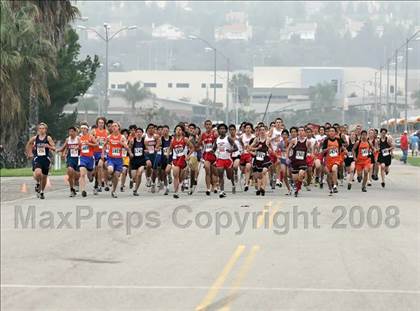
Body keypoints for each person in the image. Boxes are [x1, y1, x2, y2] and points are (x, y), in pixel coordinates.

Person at [26, 122, 56, 199]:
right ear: (38, 130)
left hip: (46, 159)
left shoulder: (48, 138)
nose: (41, 130)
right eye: (40, 128)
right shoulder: (35, 138)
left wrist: (48, 146)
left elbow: (54, 148)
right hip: (37, 158)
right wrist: (29, 154)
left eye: (43, 128)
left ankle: (42, 191)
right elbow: (29, 144)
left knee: (44, 177)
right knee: (38, 173)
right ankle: (38, 183)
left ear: (45, 130)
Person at [102, 122, 131, 198]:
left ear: (118, 128)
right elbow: (104, 146)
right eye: (113, 126)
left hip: (119, 160)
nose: (114, 127)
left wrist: (122, 144)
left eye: (115, 126)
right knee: (110, 170)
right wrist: (102, 153)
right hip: (111, 158)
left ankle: (113, 191)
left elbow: (127, 147)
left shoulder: (122, 137)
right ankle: (109, 177)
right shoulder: (109, 137)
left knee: (116, 176)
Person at [167, 124, 194, 198]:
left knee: (181, 177)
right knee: (175, 175)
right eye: (177, 130)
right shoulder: (173, 140)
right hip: (175, 159)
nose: (178, 131)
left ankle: (181, 183)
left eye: (180, 130)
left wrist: (188, 156)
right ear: (175, 131)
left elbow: (192, 148)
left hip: (183, 159)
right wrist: (168, 153)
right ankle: (176, 192)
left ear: (182, 131)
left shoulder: (185, 139)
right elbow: (170, 148)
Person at [214, 123, 238, 198]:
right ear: (218, 130)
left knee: (229, 176)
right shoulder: (217, 140)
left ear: (226, 130)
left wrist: (231, 151)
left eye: (223, 129)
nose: (222, 130)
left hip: (228, 160)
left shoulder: (228, 138)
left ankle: (233, 184)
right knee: (220, 175)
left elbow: (236, 148)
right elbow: (213, 148)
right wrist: (211, 151)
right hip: (220, 159)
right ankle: (222, 191)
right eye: (220, 129)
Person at [287, 126, 312, 197]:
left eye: (302, 130)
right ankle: (297, 186)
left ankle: (297, 190)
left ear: (304, 132)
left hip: (303, 162)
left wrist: (311, 156)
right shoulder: (294, 140)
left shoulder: (308, 142)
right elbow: (288, 149)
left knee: (301, 174)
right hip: (294, 161)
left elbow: (310, 150)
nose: (301, 132)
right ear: (298, 132)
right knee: (295, 178)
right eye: (300, 130)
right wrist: (287, 157)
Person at [249, 124, 272, 196]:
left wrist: (270, 150)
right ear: (258, 131)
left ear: (265, 131)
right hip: (258, 158)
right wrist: (256, 149)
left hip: (265, 158)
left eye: (263, 130)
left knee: (264, 172)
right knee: (258, 175)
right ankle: (259, 189)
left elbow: (271, 148)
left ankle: (263, 188)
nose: (262, 131)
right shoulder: (256, 139)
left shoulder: (268, 139)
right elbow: (249, 148)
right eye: (260, 130)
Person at [322, 127, 345, 195]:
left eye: (333, 131)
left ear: (335, 132)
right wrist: (328, 148)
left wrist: (345, 151)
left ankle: (335, 186)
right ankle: (330, 188)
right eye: (330, 131)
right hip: (328, 160)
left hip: (336, 159)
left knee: (334, 169)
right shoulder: (326, 141)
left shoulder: (338, 140)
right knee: (329, 175)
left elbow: (342, 148)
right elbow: (323, 151)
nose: (331, 132)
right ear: (328, 133)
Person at [58, 126, 80, 197]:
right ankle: (71, 189)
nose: (71, 133)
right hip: (70, 158)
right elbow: (64, 147)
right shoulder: (68, 140)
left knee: (77, 174)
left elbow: (82, 147)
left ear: (75, 132)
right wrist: (60, 152)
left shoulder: (78, 139)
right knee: (70, 171)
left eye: (72, 131)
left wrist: (78, 147)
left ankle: (76, 182)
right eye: (69, 131)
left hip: (78, 158)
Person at [78, 123, 97, 197]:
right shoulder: (79, 137)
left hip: (90, 158)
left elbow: (96, 144)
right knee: (82, 174)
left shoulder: (90, 137)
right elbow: (80, 147)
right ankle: (83, 190)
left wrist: (89, 144)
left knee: (89, 176)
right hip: (82, 157)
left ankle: (91, 177)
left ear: (87, 129)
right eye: (81, 128)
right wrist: (78, 148)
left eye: (84, 128)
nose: (82, 130)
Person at [200, 120, 218, 195]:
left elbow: (218, 142)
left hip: (214, 155)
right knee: (207, 170)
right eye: (206, 124)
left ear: (211, 125)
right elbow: (198, 144)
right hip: (206, 155)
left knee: (214, 172)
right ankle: (208, 188)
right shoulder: (203, 135)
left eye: (209, 124)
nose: (208, 126)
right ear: (204, 126)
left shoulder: (214, 134)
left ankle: (214, 186)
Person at [91, 117, 108, 193]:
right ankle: (96, 183)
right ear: (97, 124)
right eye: (99, 123)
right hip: (94, 152)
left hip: (102, 152)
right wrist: (95, 140)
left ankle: (100, 184)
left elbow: (108, 143)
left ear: (104, 124)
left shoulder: (106, 132)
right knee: (95, 171)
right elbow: (89, 140)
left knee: (100, 165)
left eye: (102, 123)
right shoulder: (94, 131)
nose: (101, 124)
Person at [144, 124, 161, 193]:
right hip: (147, 154)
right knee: (148, 165)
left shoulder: (156, 136)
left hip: (154, 154)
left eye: (152, 128)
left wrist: (156, 147)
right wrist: (145, 149)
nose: (151, 129)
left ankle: (153, 184)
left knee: (154, 170)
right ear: (147, 129)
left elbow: (159, 143)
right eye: (150, 128)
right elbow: (142, 145)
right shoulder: (144, 137)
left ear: (154, 129)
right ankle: (148, 178)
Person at [129, 127, 146, 196]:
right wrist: (130, 153)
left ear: (142, 133)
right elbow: (129, 148)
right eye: (137, 132)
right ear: (135, 133)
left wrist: (146, 151)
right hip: (134, 161)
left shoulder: (144, 141)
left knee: (139, 174)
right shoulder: (132, 141)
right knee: (134, 177)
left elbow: (147, 149)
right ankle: (132, 180)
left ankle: (135, 190)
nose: (139, 133)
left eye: (140, 132)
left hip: (141, 160)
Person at [239, 123, 255, 191]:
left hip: (250, 155)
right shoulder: (242, 136)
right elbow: (239, 145)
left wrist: (251, 149)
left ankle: (246, 184)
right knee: (243, 170)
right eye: (246, 128)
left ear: (251, 129)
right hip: (243, 155)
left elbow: (255, 146)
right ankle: (248, 177)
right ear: (244, 129)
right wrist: (242, 148)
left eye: (249, 128)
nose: (248, 129)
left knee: (248, 167)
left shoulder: (254, 137)